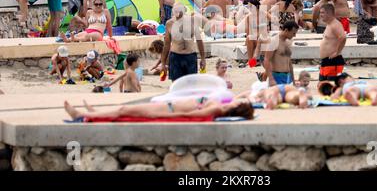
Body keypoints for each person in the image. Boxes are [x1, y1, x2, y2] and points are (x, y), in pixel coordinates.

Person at [64, 97, 254, 121]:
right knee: (123, 109)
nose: (236, 101)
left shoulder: (216, 111)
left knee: (123, 111)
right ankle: (93, 112)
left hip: (166, 110)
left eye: (238, 103)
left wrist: (161, 115)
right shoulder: (221, 106)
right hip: (166, 106)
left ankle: (83, 115)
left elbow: (188, 114)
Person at [161, 4, 206, 82]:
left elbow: (199, 41)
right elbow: (166, 45)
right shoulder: (170, 23)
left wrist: (203, 58)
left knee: (191, 84)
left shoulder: (192, 21)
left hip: (190, 55)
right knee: (176, 83)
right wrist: (163, 63)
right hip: (176, 56)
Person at [264, 21, 299, 86]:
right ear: (286, 30)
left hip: (288, 76)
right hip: (277, 76)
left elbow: (289, 62)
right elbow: (266, 60)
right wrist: (271, 79)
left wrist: (293, 80)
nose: (294, 35)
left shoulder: (289, 42)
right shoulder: (274, 41)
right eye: (293, 33)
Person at [319, 4, 347, 82]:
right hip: (326, 61)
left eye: (322, 13)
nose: (320, 15)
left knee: (331, 87)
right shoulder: (329, 24)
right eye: (320, 13)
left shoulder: (335, 24)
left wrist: (337, 52)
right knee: (323, 87)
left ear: (329, 13)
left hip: (333, 61)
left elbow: (343, 37)